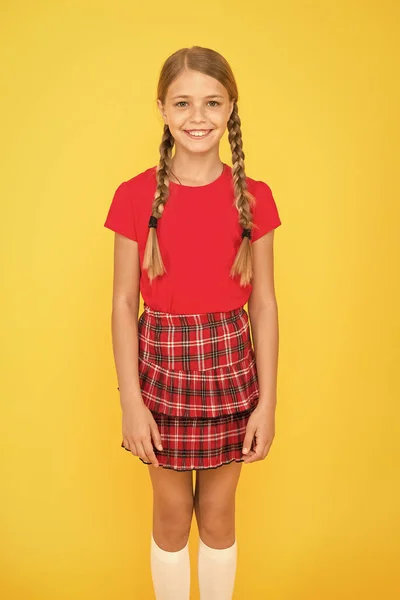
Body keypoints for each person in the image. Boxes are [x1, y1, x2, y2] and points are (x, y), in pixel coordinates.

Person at [104, 46, 282, 600]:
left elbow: (265, 304)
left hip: (232, 370)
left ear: (230, 108)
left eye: (211, 102)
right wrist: (131, 402)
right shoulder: (134, 197)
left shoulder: (255, 197)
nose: (197, 116)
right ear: (162, 109)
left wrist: (268, 403)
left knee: (220, 515)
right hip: (163, 372)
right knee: (173, 514)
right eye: (183, 103)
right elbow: (121, 302)